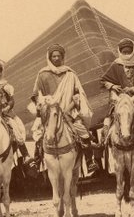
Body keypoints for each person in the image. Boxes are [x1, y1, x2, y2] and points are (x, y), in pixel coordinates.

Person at [28, 43, 98, 173]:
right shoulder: (42, 74)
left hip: (68, 112)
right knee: (39, 134)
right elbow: (35, 95)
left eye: (58, 56)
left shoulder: (70, 74)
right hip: (49, 114)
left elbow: (77, 96)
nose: (56, 58)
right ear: (49, 58)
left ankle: (89, 161)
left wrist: (66, 109)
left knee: (83, 132)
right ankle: (37, 162)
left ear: (62, 57)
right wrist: (43, 104)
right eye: (53, 56)